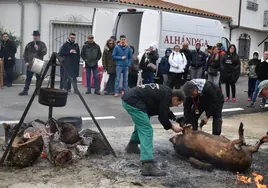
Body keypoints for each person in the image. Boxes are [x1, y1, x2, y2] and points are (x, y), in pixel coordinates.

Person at [122, 83, 185, 176]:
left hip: (131, 98)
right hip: (133, 101)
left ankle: (132, 145)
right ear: (175, 98)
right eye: (178, 104)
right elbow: (162, 117)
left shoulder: (166, 92)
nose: (176, 106)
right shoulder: (166, 96)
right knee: (147, 130)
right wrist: (172, 127)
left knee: (142, 123)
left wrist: (175, 119)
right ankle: (147, 166)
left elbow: (164, 109)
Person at [18, 30, 47, 96]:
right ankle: (25, 91)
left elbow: (44, 52)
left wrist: (38, 49)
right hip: (30, 63)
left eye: (36, 36)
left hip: (38, 63)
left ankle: (38, 91)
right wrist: (26, 61)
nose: (35, 37)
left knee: (38, 78)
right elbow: (25, 54)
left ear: (39, 36)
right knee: (28, 78)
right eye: (34, 36)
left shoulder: (42, 44)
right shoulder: (29, 44)